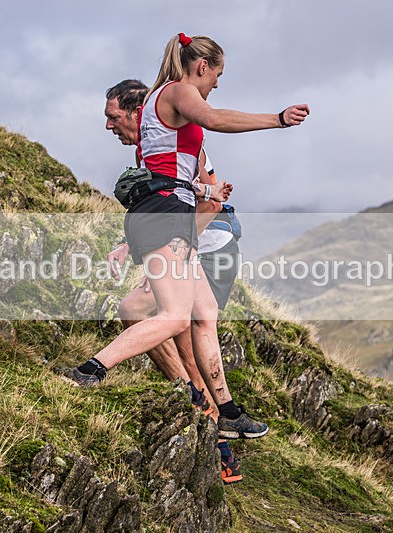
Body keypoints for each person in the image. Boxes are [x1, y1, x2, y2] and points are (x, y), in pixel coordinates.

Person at [65, 32, 309, 444]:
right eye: (217, 75)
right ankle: (89, 371)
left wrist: (204, 191)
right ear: (201, 67)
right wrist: (277, 119)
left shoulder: (154, 110)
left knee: (205, 312)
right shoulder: (178, 91)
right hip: (166, 217)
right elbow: (214, 119)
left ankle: (228, 412)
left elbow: (165, 168)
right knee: (174, 317)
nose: (216, 85)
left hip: (165, 213)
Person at [103, 78, 244, 483]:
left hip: (211, 242)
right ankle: (194, 399)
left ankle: (221, 443)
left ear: (137, 113)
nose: (109, 126)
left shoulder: (176, 139)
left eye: (113, 117)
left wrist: (173, 260)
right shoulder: (147, 148)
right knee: (138, 313)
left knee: (181, 327)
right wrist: (129, 246)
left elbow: (210, 204)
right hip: (184, 239)